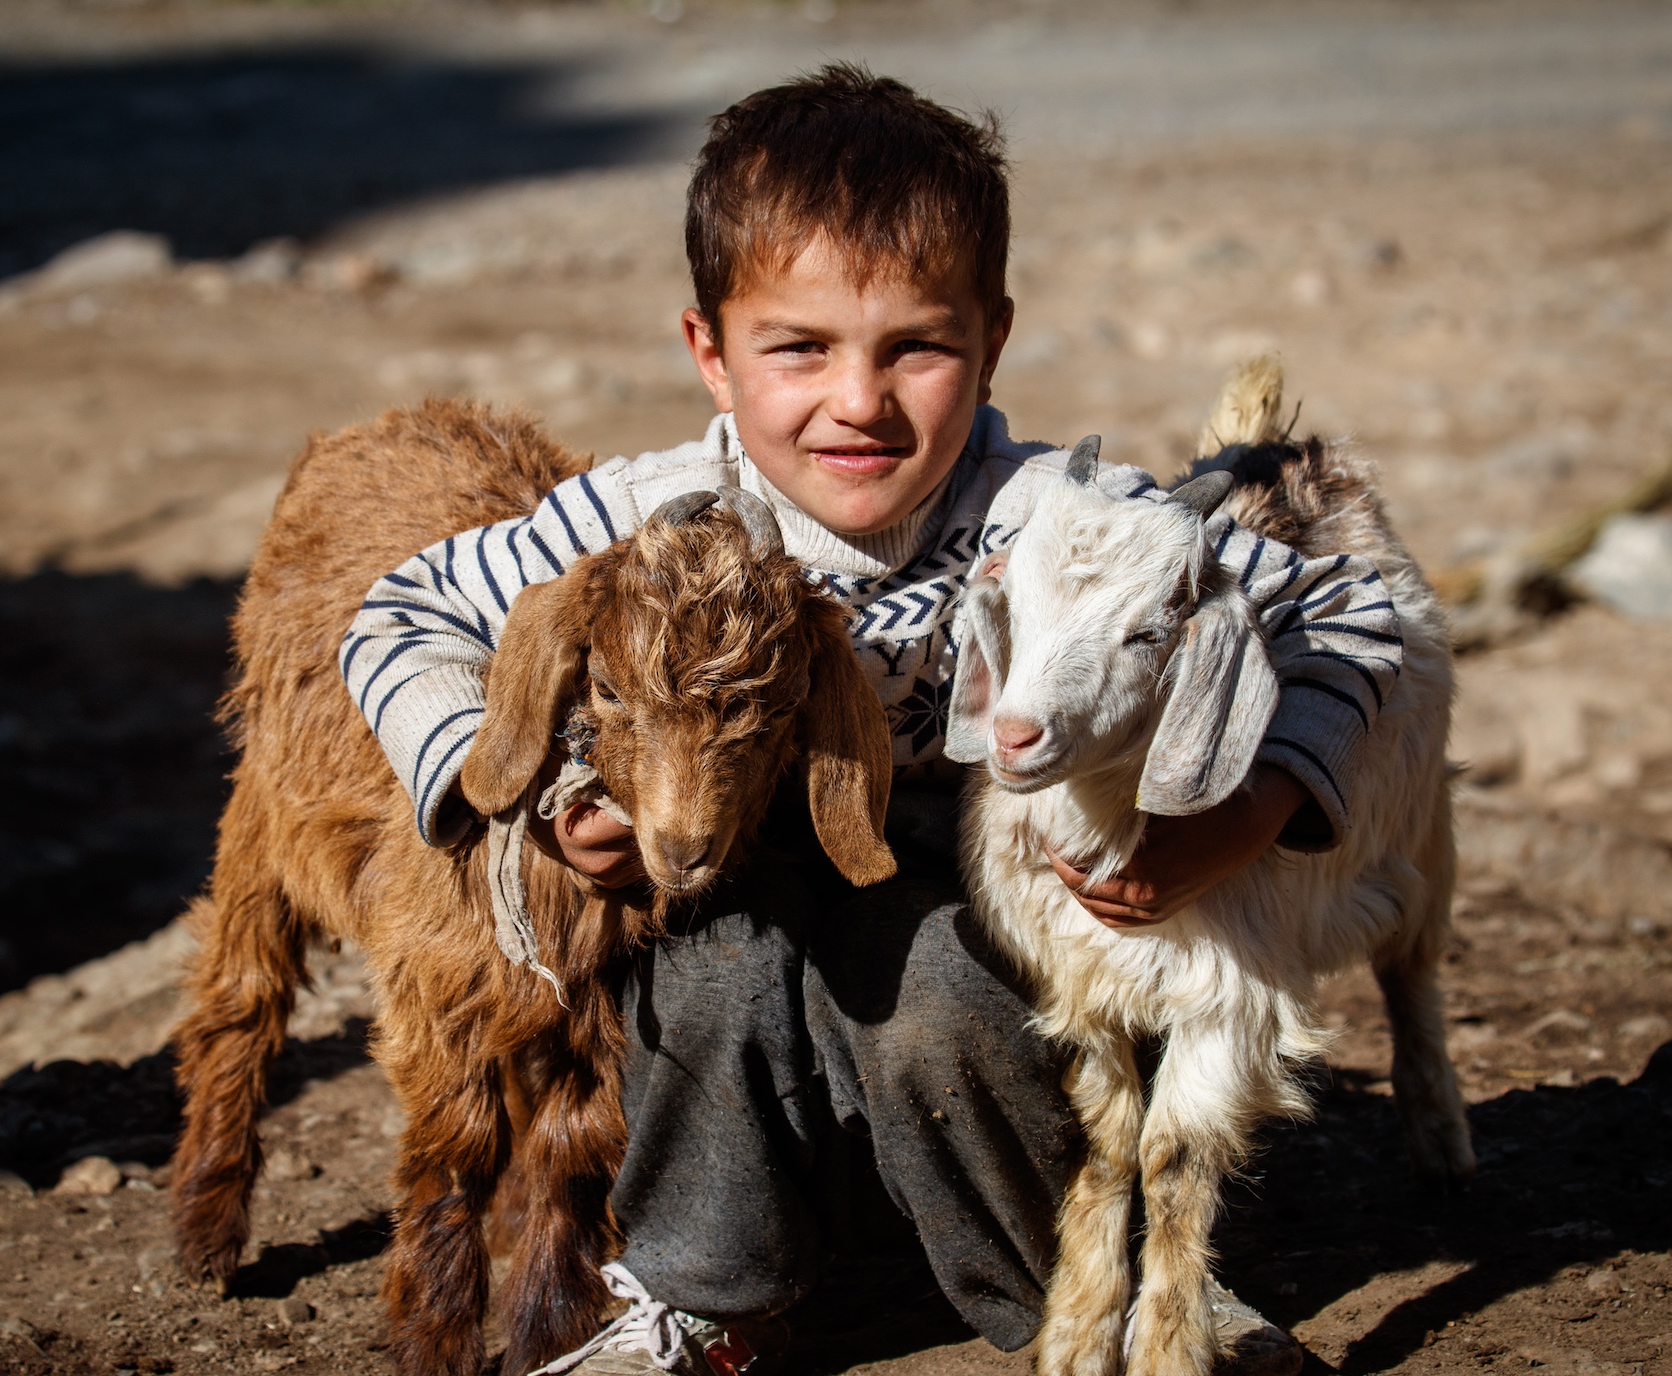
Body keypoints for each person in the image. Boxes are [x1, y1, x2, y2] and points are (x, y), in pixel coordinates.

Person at [340, 65, 1400, 1376]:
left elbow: (1352, 623)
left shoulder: (1065, 524)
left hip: (980, 901)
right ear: (710, 352)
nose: (859, 400)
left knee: (943, 991)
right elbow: (397, 616)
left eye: (916, 346)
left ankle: (1106, 1287)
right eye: (799, 348)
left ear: (992, 339)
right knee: (715, 974)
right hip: (723, 889)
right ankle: (704, 1300)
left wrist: (1243, 818)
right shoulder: (650, 517)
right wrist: (541, 800)